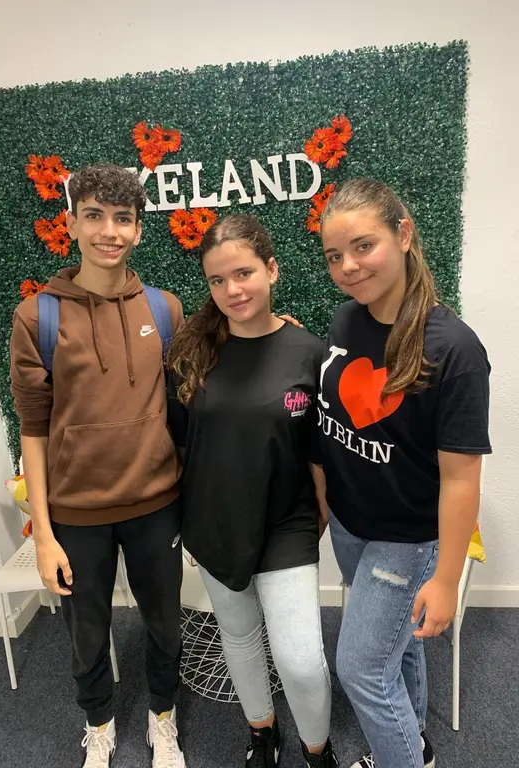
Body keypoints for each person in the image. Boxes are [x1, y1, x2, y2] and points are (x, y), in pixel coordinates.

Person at [10, 164, 187, 768]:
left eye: (122, 219)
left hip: (156, 505)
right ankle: (100, 724)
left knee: (165, 625)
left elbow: (190, 396)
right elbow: (33, 431)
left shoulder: (164, 309)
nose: (109, 231)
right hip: (76, 516)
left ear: (137, 229)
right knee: (86, 634)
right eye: (94, 216)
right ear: (71, 224)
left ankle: (163, 718)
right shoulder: (38, 318)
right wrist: (42, 535)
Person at [316, 178, 491, 768]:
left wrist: (446, 577)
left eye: (363, 246)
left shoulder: (454, 349)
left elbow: (462, 478)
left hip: (407, 538)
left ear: (404, 235)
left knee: (361, 669)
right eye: (334, 255)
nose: (348, 266)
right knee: (399, 647)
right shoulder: (345, 321)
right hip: (350, 525)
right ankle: (414, 745)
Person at [167, 213, 339, 768]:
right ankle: (262, 732)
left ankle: (318, 751)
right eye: (218, 280)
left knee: (302, 660)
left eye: (243, 274)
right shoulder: (192, 353)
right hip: (214, 521)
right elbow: (181, 444)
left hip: (286, 523)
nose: (232, 290)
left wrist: (323, 511)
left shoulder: (309, 352)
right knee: (239, 639)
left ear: (271, 270)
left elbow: (318, 448)